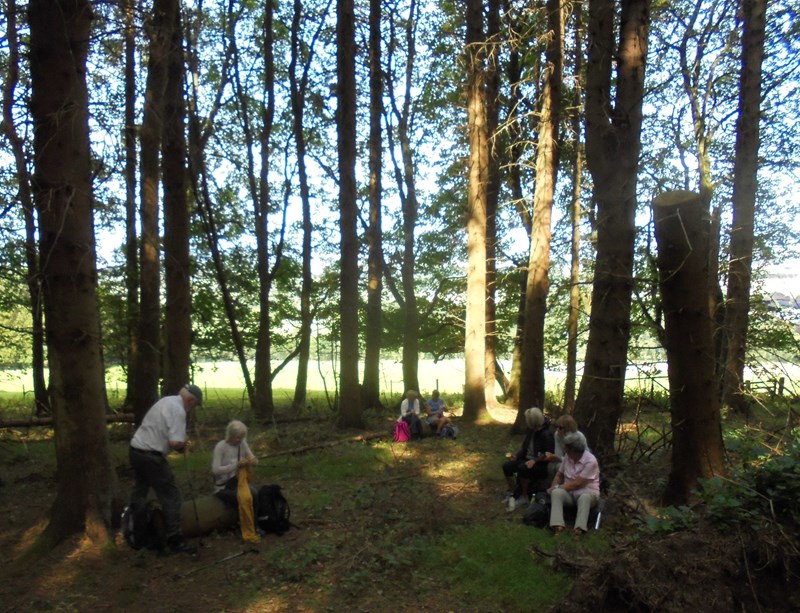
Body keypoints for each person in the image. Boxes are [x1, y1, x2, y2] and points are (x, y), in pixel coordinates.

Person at [129, 384, 203, 554]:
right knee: (171, 496)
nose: (193, 409)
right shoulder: (178, 410)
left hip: (136, 451)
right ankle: (174, 539)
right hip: (151, 457)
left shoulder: (167, 401)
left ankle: (137, 536)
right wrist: (184, 444)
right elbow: (175, 443)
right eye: (194, 405)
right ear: (190, 400)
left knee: (140, 493)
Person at [547, 431, 601, 536]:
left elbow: (577, 484)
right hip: (570, 494)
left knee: (584, 498)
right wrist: (553, 488)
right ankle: (558, 525)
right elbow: (559, 475)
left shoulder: (591, 461)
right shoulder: (568, 457)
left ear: (573, 449)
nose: (565, 450)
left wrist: (558, 486)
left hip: (588, 493)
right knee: (556, 493)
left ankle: (579, 529)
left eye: (567, 448)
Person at [502, 407, 555, 510]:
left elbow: (548, 454)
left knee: (523, 468)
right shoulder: (531, 431)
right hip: (527, 459)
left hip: (541, 465)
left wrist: (534, 461)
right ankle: (513, 494)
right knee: (507, 466)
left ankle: (524, 496)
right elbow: (525, 448)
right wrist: (517, 456)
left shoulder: (546, 434)